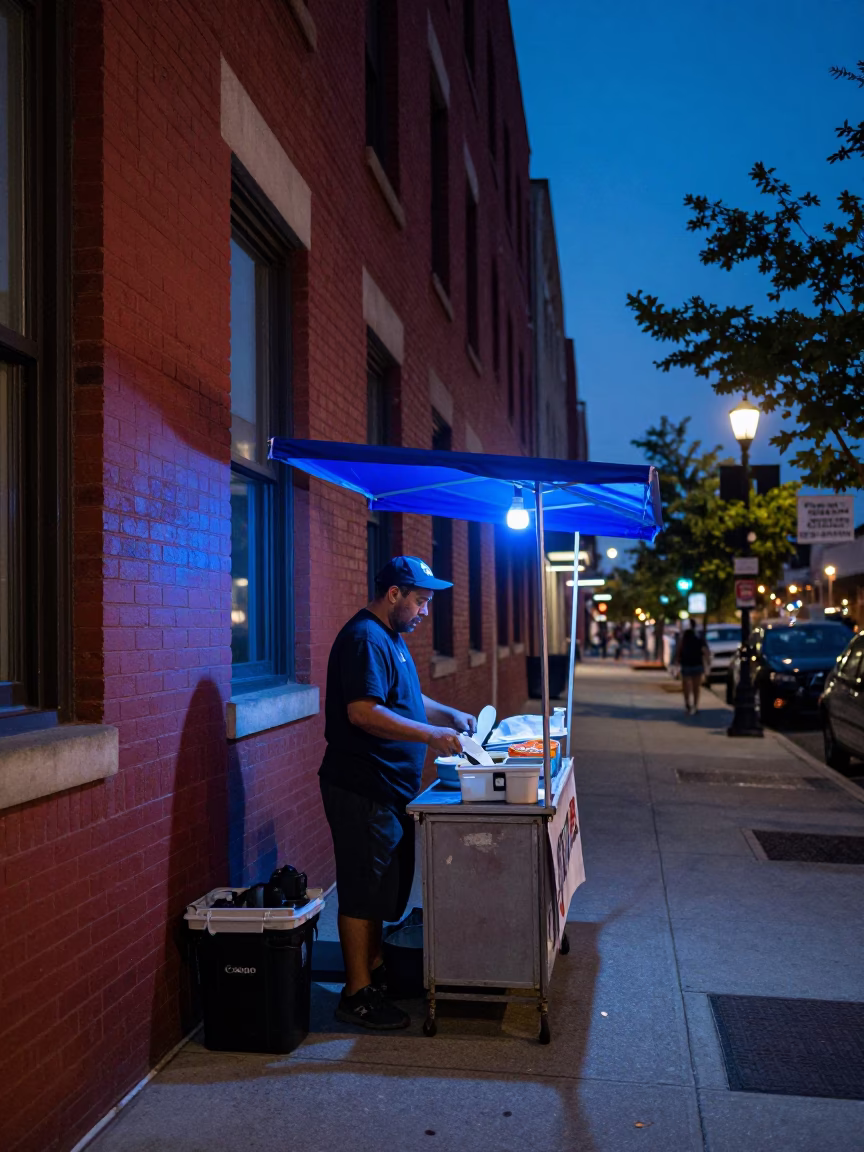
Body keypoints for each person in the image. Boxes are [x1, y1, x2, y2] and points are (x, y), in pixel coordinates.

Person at [319, 556, 477, 1031]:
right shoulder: (365, 638)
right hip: (363, 786)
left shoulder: (391, 639)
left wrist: (447, 713)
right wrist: (429, 737)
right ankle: (356, 993)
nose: (425, 611)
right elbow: (363, 712)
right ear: (394, 595)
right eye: (421, 601)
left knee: (383, 886)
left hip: (390, 788)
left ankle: (375, 973)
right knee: (362, 892)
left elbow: (407, 697)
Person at [674, 619, 709, 714]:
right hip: (697, 663)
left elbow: (679, 648)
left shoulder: (684, 636)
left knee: (686, 685)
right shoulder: (699, 636)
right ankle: (695, 705)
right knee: (696, 687)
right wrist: (707, 662)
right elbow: (705, 650)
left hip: (686, 663)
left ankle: (688, 704)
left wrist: (677, 661)